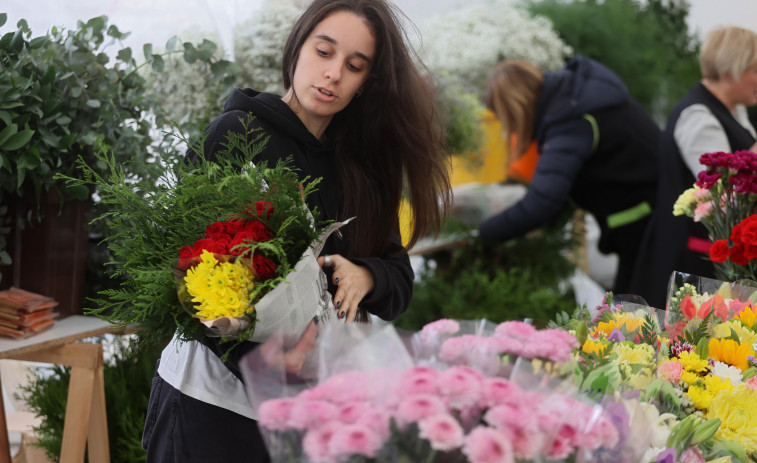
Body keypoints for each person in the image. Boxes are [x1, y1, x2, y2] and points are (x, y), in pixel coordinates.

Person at [141, 0, 451, 461]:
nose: (332, 74)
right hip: (210, 406)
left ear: (367, 82)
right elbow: (183, 276)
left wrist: (366, 276)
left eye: (354, 65)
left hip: (307, 415)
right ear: (297, 46)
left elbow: (400, 282)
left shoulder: (360, 167)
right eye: (323, 52)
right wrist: (265, 364)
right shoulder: (237, 135)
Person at [478, 56, 660, 294]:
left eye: (507, 120)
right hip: (650, 217)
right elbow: (561, 191)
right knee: (632, 315)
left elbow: (541, 203)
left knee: (637, 318)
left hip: (648, 227)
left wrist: (482, 234)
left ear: (515, 109)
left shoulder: (570, 120)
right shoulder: (575, 98)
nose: (510, 130)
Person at [632, 26, 757, 309]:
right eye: (755, 70)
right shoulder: (698, 117)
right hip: (691, 266)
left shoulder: (733, 111)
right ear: (732, 68)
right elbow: (728, 193)